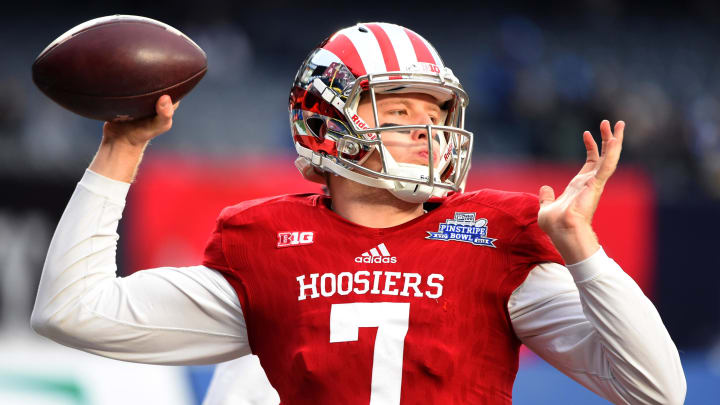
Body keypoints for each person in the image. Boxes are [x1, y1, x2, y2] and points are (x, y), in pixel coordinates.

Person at [31, 22, 685, 404]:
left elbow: (658, 389)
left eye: (436, 116)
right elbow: (71, 312)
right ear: (328, 120)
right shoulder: (266, 248)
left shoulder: (491, 242)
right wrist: (121, 147)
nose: (426, 134)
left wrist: (583, 250)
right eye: (400, 113)